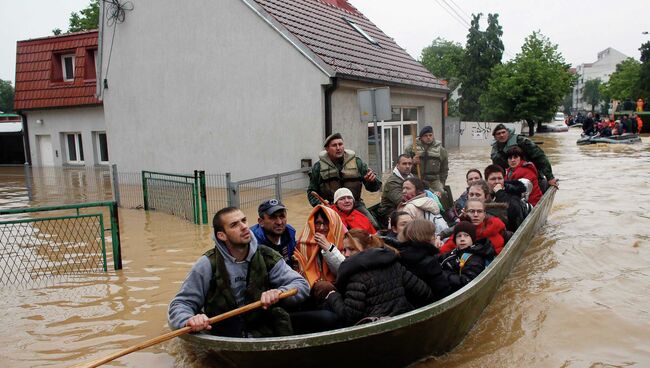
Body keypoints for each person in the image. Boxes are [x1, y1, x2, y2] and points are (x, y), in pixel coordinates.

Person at [168, 207, 310, 337]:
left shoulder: (267, 256)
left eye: (244, 220)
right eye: (234, 225)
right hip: (223, 332)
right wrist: (189, 320)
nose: (244, 227)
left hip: (261, 327)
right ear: (221, 235)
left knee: (325, 318)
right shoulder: (206, 264)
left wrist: (280, 293)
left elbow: (301, 284)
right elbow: (181, 304)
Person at [323, 229, 433, 325]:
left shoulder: (356, 277)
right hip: (404, 321)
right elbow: (424, 292)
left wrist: (333, 297)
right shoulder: (393, 265)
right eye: (344, 250)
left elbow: (350, 316)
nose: (346, 254)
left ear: (366, 248)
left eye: (351, 249)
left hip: (377, 329)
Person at [307, 133, 381, 228]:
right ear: (327, 149)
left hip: (355, 205)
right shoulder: (318, 167)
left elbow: (374, 188)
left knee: (373, 226)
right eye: (334, 145)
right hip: (330, 207)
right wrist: (321, 206)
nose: (338, 148)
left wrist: (372, 181)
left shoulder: (357, 162)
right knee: (323, 230)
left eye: (340, 144)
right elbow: (311, 192)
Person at [395, 219, 452, 301]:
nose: (435, 237)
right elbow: (444, 291)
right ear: (426, 237)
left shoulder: (402, 256)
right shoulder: (429, 262)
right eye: (433, 234)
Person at [491, 124, 558, 188]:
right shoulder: (496, 150)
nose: (502, 135)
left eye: (503, 132)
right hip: (512, 177)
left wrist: (550, 177)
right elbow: (497, 169)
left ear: (508, 132)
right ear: (495, 136)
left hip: (532, 175)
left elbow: (540, 157)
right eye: (498, 134)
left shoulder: (522, 141)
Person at [293, 205, 347, 286]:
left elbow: (345, 271)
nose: (321, 228)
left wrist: (329, 249)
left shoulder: (344, 242)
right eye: (318, 223)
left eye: (326, 223)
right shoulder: (303, 244)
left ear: (334, 224)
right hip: (313, 289)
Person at [437, 221, 496, 292]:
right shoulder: (455, 251)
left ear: (472, 239)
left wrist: (442, 275)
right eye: (459, 236)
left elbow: (467, 282)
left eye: (466, 235)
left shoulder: (475, 258)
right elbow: (440, 258)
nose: (462, 239)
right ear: (455, 240)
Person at [439, 199, 506, 255]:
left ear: (484, 214)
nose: (476, 215)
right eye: (472, 211)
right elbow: (443, 252)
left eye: (479, 211)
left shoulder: (495, 228)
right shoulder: (461, 233)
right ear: (465, 213)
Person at [250, 199, 296, 265]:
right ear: (261, 222)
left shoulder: (290, 233)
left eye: (282, 216)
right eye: (273, 217)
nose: (279, 222)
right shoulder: (252, 242)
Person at [485, 164, 530, 232]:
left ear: (504, 179)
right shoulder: (482, 194)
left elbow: (513, 212)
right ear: (486, 181)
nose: (497, 182)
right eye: (493, 179)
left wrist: (499, 193)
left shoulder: (513, 193)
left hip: (509, 231)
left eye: (500, 178)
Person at [404, 125, 449, 193]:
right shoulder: (411, 149)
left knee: (441, 193)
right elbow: (403, 166)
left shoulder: (441, 150)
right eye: (425, 135)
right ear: (421, 137)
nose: (428, 137)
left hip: (433, 181)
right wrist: (412, 162)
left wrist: (442, 183)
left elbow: (444, 169)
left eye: (430, 135)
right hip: (416, 179)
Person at [377, 154, 413, 228]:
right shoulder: (392, 182)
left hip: (404, 208)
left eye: (410, 164)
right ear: (397, 165)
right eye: (404, 164)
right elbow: (401, 201)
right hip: (389, 212)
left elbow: (421, 188)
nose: (407, 166)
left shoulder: (410, 176)